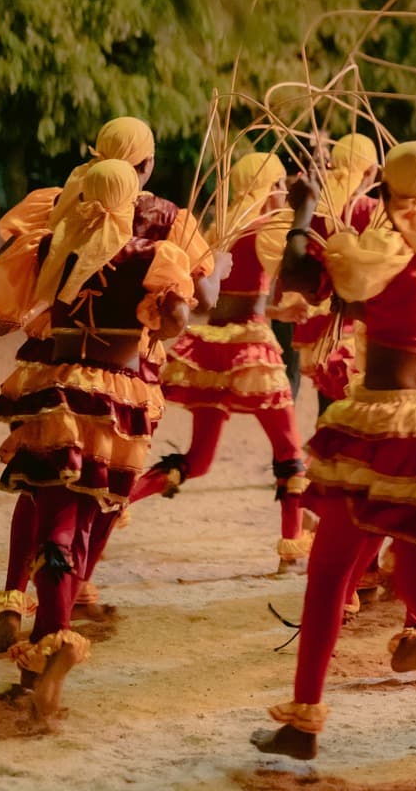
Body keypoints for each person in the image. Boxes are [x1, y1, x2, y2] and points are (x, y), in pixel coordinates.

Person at [255, 142, 416, 784]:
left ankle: (303, 719)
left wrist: (307, 212)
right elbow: (364, 299)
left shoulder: (387, 241)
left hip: (384, 419)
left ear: (390, 184)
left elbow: (305, 284)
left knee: (330, 569)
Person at [0, 115, 212, 652]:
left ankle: (19, 599)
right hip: (127, 372)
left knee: (45, 485)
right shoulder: (166, 225)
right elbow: (196, 305)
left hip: (48, 366)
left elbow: (3, 311)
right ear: (146, 166)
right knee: (100, 489)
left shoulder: (61, 210)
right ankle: (67, 598)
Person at [127, 152, 308, 571]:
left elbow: (225, 298)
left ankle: (125, 501)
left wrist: (277, 313)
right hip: (250, 351)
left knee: (200, 459)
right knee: (289, 450)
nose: (281, 194)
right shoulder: (269, 229)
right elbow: (286, 273)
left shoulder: (220, 229)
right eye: (278, 186)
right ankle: (290, 547)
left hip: (212, 346)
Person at [291, 134, 384, 414]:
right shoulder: (373, 212)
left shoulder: (316, 210)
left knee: (328, 409)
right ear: (370, 172)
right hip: (359, 327)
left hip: (322, 319)